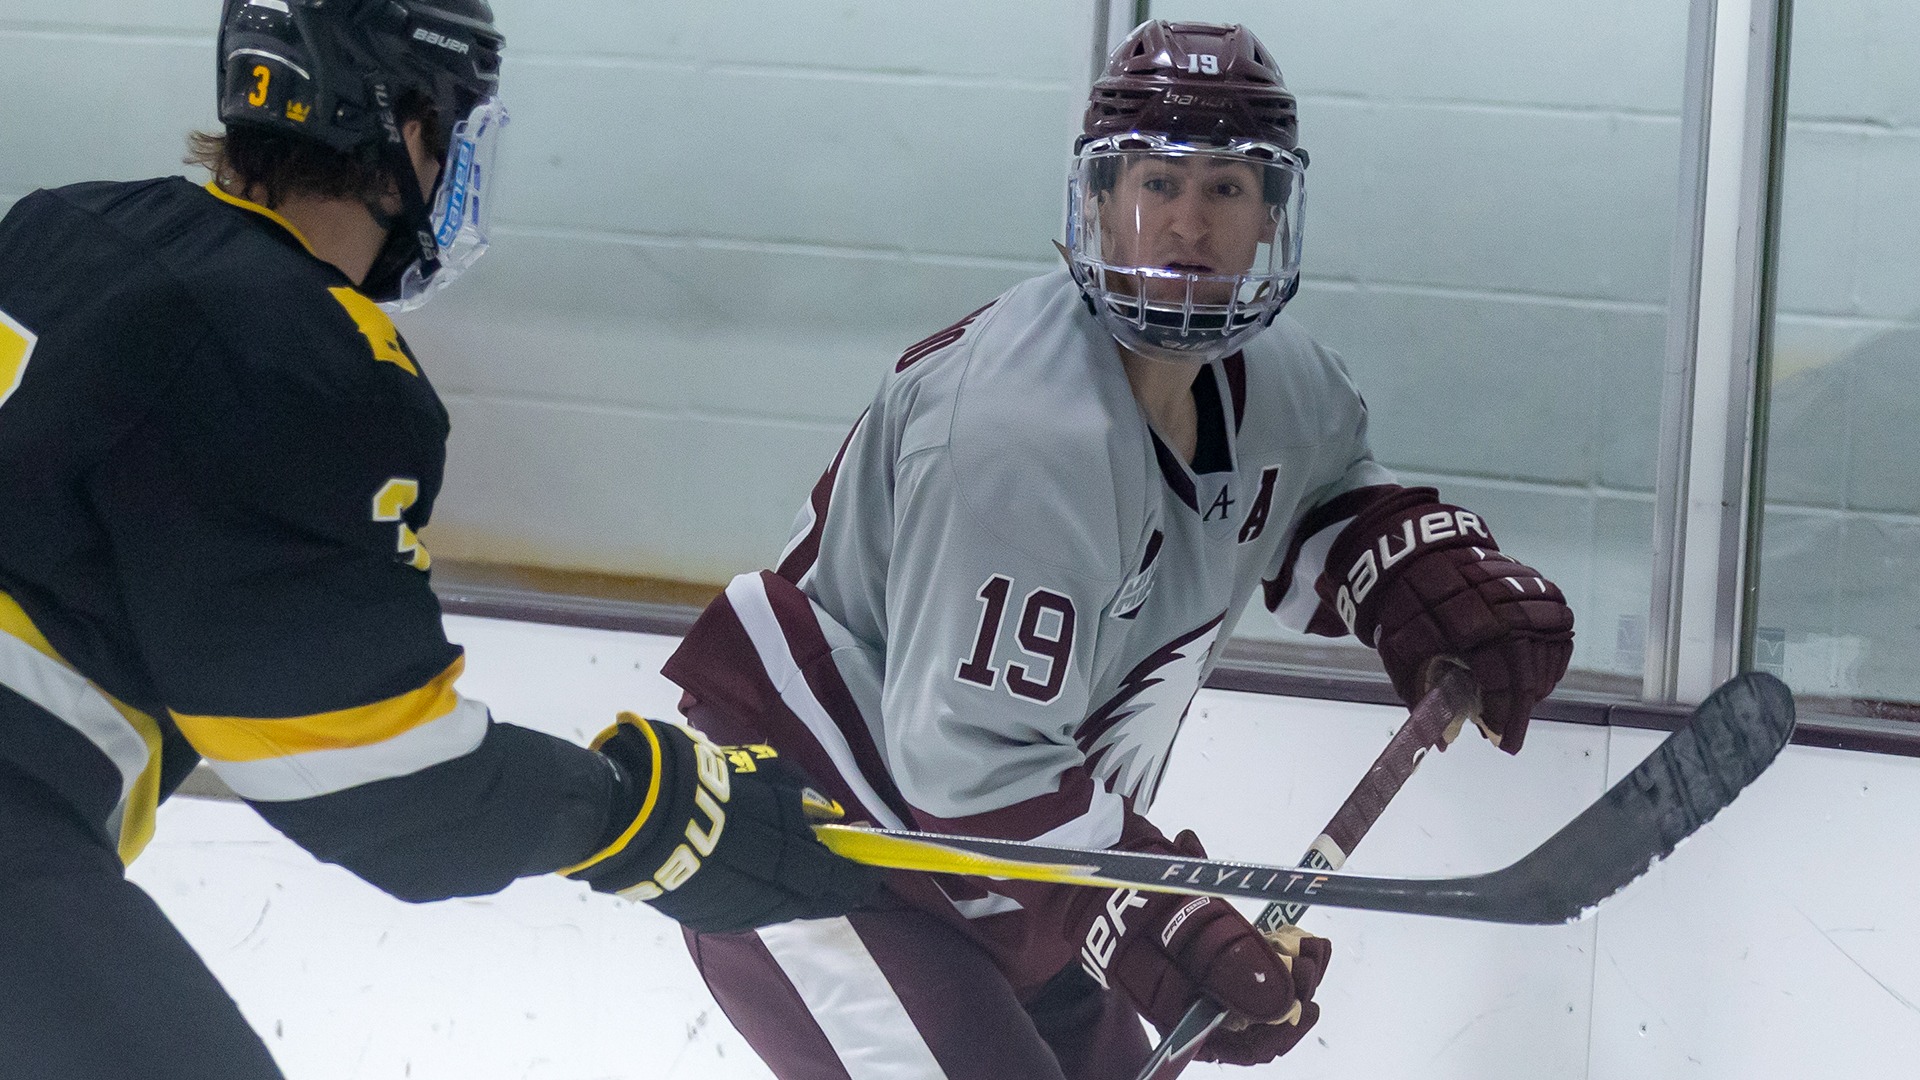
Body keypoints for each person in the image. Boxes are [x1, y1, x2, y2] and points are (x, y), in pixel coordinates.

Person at [661, 19, 1576, 1080]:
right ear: (1097, 203)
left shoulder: (1287, 386)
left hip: (999, 872)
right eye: (1157, 183)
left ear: (1273, 214)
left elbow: (1317, 509)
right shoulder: (1021, 429)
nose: (1189, 224)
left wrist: (1420, 582)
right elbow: (968, 766)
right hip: (829, 839)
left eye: (1229, 189)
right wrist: (1162, 922)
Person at [0, 2, 874, 1077]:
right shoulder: (300, 355)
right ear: (404, 128)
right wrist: (646, 818)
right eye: (453, 122)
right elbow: (377, 781)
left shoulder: (68, 227)